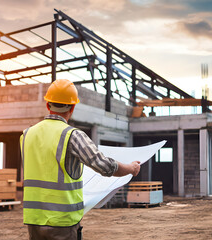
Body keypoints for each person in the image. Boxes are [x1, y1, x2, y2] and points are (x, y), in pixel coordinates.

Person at [20, 79, 140, 240]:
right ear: (72, 107)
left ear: (48, 105)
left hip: (33, 220)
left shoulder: (27, 135)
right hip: (62, 221)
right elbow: (104, 166)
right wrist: (130, 169)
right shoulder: (71, 135)